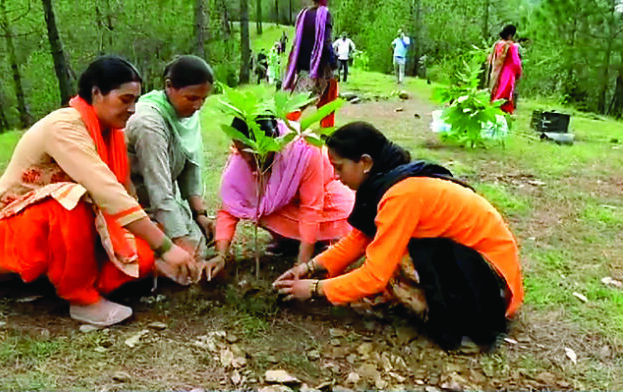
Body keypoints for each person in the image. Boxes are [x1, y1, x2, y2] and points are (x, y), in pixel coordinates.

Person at [0, 57, 199, 326]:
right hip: (18, 229)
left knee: (140, 258)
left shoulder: (113, 134)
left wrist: (158, 255)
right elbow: (106, 191)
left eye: (135, 100)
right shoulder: (63, 126)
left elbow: (125, 197)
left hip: (79, 229)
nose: (133, 109)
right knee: (68, 198)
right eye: (125, 99)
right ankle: (81, 298)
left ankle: (85, 279)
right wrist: (165, 247)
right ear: (97, 93)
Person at [274, 122, 524, 351]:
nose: (336, 177)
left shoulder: (400, 195)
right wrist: (309, 268)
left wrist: (315, 289)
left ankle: (461, 319)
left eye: (339, 168)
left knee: (393, 262)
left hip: (493, 286)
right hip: (477, 266)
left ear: (365, 162)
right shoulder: (389, 183)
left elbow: (374, 276)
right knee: (387, 251)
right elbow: (360, 239)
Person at [209, 116, 355, 279]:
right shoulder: (242, 157)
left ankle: (317, 243)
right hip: (291, 208)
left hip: (327, 203)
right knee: (259, 206)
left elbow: (311, 208)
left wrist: (302, 265)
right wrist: (221, 255)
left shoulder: (303, 150)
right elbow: (230, 207)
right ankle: (290, 243)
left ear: (274, 143)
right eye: (242, 152)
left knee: (326, 227)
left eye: (253, 154)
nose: (247, 160)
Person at [125, 55, 215, 262]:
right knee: (187, 256)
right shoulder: (149, 124)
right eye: (192, 98)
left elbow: (191, 163)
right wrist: (180, 240)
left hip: (167, 201)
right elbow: (158, 189)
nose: (198, 106)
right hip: (139, 205)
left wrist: (200, 213)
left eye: (203, 99)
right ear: (169, 86)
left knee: (201, 247)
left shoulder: (186, 113)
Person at [282, 0, 338, 128]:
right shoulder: (324, 14)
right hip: (320, 69)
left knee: (299, 103)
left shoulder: (303, 14)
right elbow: (325, 41)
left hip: (303, 65)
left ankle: (281, 129)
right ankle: (281, 130)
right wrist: (334, 64)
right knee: (326, 105)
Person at [487, 24, 523, 114]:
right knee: (505, 96)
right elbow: (516, 62)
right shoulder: (511, 46)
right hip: (508, 74)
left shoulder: (497, 45)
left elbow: (490, 59)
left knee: (495, 93)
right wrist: (519, 73)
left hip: (496, 74)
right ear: (510, 35)